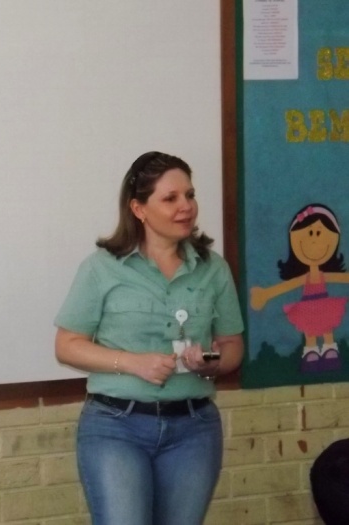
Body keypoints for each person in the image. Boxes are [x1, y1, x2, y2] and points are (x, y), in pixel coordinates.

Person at [54, 151, 244, 525]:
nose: (186, 206)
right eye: (170, 198)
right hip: (116, 426)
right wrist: (132, 363)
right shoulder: (101, 268)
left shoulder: (213, 268)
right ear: (139, 209)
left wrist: (210, 363)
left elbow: (233, 346)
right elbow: (67, 345)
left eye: (190, 195)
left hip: (194, 428)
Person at [250, 203, 349, 373]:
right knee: (310, 331)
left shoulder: (323, 275)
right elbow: (288, 286)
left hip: (324, 304)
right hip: (307, 306)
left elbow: (340, 278)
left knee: (327, 328)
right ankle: (311, 353)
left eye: (319, 233)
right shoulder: (305, 277)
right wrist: (266, 294)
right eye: (310, 233)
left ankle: (329, 350)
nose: (314, 240)